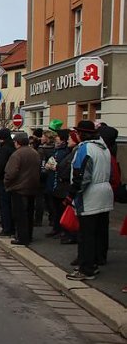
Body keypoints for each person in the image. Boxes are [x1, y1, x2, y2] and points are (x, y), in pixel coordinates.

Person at [66, 120, 113, 280]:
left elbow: (81, 176)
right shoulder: (104, 147)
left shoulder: (85, 148)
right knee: (99, 231)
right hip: (105, 193)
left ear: (81, 134)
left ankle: (86, 268)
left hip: (90, 195)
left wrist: (72, 194)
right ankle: (96, 261)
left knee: (86, 234)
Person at [3, 132, 40, 246]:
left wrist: (7, 183)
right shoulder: (35, 153)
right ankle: (29, 235)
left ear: (17, 142)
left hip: (19, 188)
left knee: (20, 214)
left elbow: (11, 172)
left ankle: (22, 237)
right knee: (29, 213)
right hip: (32, 187)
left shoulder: (17, 154)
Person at [0, 128, 16, 237]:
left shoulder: (4, 149)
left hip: (2, 180)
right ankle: (10, 227)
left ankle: (6, 228)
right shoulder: (13, 148)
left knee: (4, 205)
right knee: (11, 205)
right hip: (12, 180)